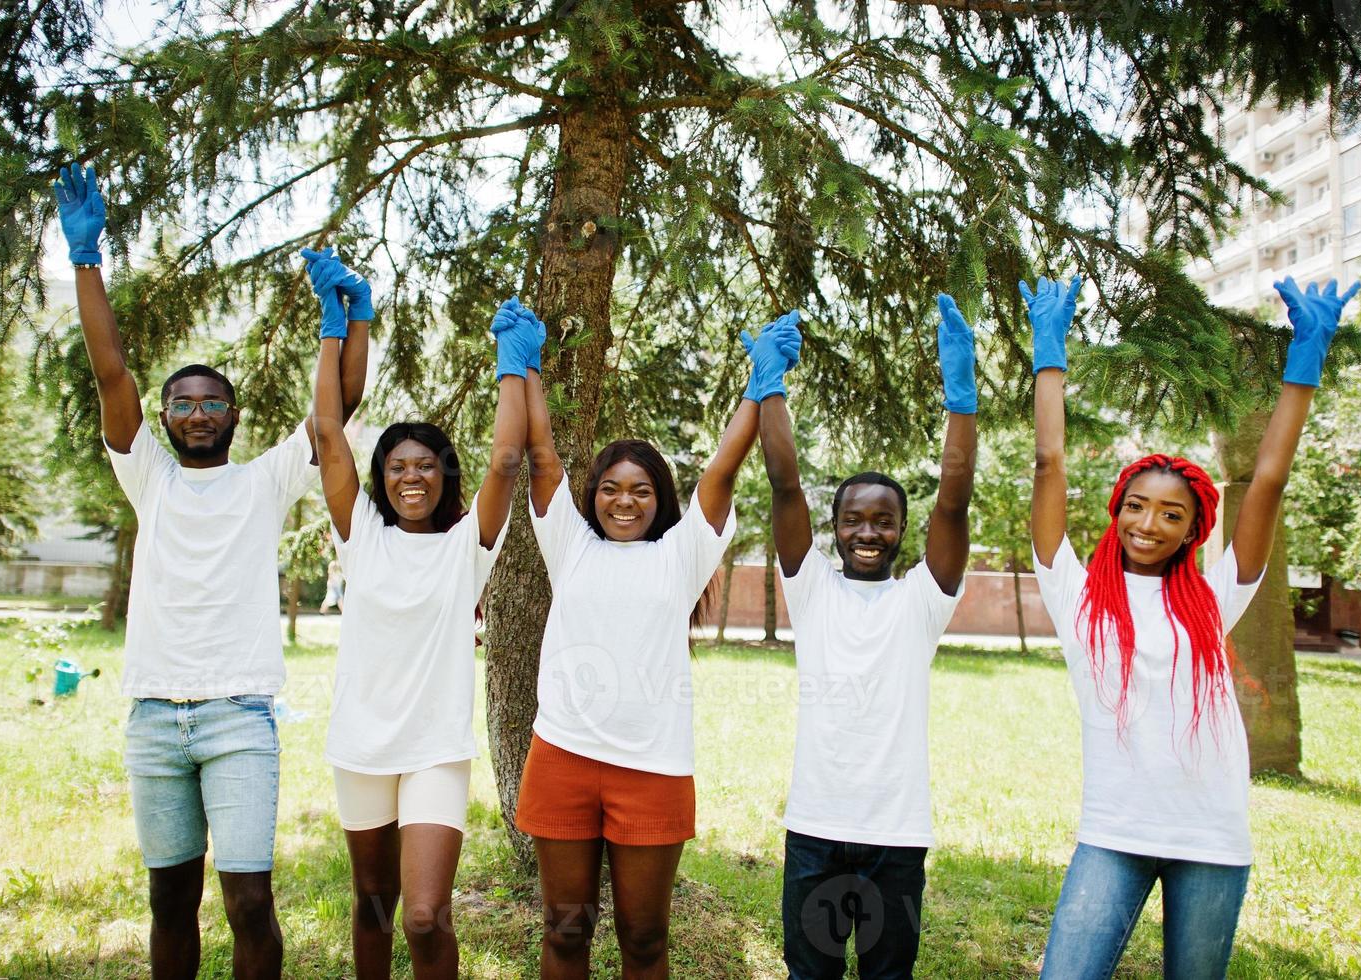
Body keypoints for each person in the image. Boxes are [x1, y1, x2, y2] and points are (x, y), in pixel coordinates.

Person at [53, 165, 369, 980]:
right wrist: (86, 260)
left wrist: (344, 324)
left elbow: (334, 419)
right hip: (154, 718)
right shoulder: (147, 475)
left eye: (211, 403)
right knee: (168, 901)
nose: (197, 414)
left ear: (233, 416)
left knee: (249, 905)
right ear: (164, 419)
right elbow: (111, 371)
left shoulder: (261, 481)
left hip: (239, 719)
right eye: (182, 405)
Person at [1028, 275, 1360, 979]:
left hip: (1209, 837)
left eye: (1170, 515)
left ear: (1190, 532)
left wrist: (1305, 358)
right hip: (1113, 834)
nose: (1148, 523)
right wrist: (1047, 356)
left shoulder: (1213, 599)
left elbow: (1266, 480)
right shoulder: (1075, 594)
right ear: (1117, 510)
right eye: (1136, 506)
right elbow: (1047, 462)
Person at [513, 304, 797, 979]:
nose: (622, 501)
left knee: (644, 939)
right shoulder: (569, 545)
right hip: (562, 759)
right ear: (592, 497)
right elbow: (541, 454)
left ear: (658, 498)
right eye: (609, 489)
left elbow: (721, 473)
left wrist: (760, 385)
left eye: (639, 490)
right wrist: (521, 366)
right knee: (564, 933)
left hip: (653, 770)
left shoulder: (681, 554)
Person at [311, 284, 537, 979]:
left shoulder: (468, 544)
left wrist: (512, 364)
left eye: (425, 465)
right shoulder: (362, 537)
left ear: (444, 475)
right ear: (382, 478)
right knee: (374, 901)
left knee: (422, 912)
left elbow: (506, 460)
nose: (411, 476)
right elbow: (326, 435)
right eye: (397, 466)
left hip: (434, 749)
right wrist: (337, 327)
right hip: (361, 744)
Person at [763, 297, 977, 979]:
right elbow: (783, 483)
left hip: (895, 838)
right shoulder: (810, 588)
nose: (866, 532)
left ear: (900, 532)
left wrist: (961, 398)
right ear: (834, 526)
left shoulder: (921, 600)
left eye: (882, 521)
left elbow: (953, 497)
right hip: (815, 833)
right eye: (853, 519)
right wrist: (768, 385)